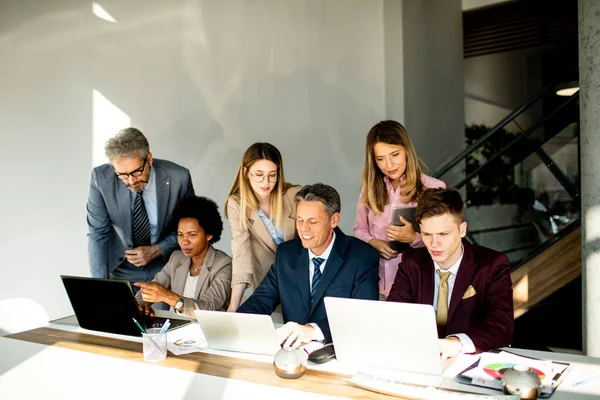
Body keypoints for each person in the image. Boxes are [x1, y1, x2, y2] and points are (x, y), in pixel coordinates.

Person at [237, 183, 379, 348]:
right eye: (300, 220)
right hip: (290, 354)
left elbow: (363, 317)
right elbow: (260, 302)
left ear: (334, 220)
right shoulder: (286, 255)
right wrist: (234, 325)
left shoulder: (362, 256)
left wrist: (311, 330)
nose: (304, 228)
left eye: (312, 221)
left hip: (340, 353)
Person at [387, 188, 514, 359]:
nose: (434, 243)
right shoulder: (411, 262)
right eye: (427, 234)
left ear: (462, 230)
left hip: (469, 362)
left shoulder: (492, 265)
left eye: (443, 234)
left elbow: (501, 327)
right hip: (419, 359)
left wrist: (457, 343)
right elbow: (393, 315)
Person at [87, 128, 195, 283]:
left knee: (160, 307)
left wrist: (157, 250)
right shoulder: (100, 178)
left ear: (149, 159)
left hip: (166, 268)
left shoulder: (179, 178)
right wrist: (100, 286)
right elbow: (98, 234)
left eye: (136, 172)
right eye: (122, 175)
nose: (130, 181)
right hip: (120, 268)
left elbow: (190, 229)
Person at [354, 120, 445, 298]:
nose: (389, 165)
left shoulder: (433, 188)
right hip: (375, 285)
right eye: (380, 159)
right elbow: (359, 229)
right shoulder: (369, 188)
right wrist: (374, 243)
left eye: (395, 154)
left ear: (407, 151)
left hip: (415, 288)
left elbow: (444, 241)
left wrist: (413, 238)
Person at [225, 143, 301, 312]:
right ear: (246, 173)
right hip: (269, 286)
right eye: (259, 175)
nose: (266, 182)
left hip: (302, 283)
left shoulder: (294, 195)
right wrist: (232, 307)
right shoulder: (237, 204)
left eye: (272, 175)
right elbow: (241, 255)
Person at [135, 196, 232, 318]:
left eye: (192, 235)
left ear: (209, 235)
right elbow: (153, 287)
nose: (184, 241)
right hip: (177, 329)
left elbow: (207, 308)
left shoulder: (224, 264)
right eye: (180, 235)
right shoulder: (177, 258)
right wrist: (141, 304)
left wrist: (168, 297)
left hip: (210, 332)